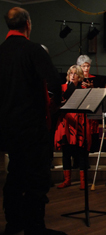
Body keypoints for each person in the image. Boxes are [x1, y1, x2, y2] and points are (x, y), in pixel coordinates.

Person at [0, 7, 66, 235]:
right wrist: (53, 107)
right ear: (27, 24)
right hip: (32, 128)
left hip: (7, 128)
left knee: (15, 175)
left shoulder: (1, 51)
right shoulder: (33, 50)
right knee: (37, 180)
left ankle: (12, 224)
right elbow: (56, 85)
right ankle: (35, 227)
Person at [54, 65, 91, 190]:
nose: (73, 76)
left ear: (80, 76)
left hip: (79, 122)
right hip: (66, 123)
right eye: (71, 73)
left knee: (81, 152)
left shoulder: (83, 89)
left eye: (75, 74)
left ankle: (83, 181)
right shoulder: (63, 88)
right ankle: (67, 180)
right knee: (66, 152)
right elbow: (57, 104)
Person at [76, 55, 100, 153]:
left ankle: (92, 151)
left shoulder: (95, 79)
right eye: (83, 66)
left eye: (88, 66)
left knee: (92, 130)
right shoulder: (77, 79)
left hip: (92, 108)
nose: (86, 68)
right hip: (80, 110)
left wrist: (92, 88)